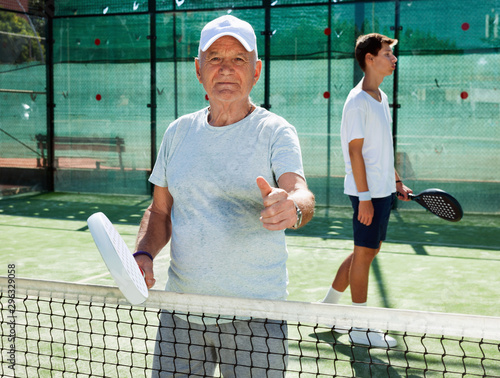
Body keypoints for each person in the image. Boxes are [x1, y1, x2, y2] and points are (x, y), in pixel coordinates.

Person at [133, 15, 315, 377]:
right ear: (199, 69)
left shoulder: (276, 131)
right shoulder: (177, 132)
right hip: (181, 315)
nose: (226, 69)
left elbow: (300, 192)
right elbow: (160, 211)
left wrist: (292, 208)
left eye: (238, 59)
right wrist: (143, 253)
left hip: (256, 319)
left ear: (256, 70)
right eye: (215, 58)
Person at [321, 33, 412, 348]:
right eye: (388, 53)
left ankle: (328, 307)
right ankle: (358, 327)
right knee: (364, 254)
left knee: (368, 251)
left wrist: (396, 181)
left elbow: (382, 147)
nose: (393, 59)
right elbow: (355, 152)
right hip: (367, 192)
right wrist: (364, 199)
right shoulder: (357, 100)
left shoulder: (380, 97)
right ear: (369, 59)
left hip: (382, 189)